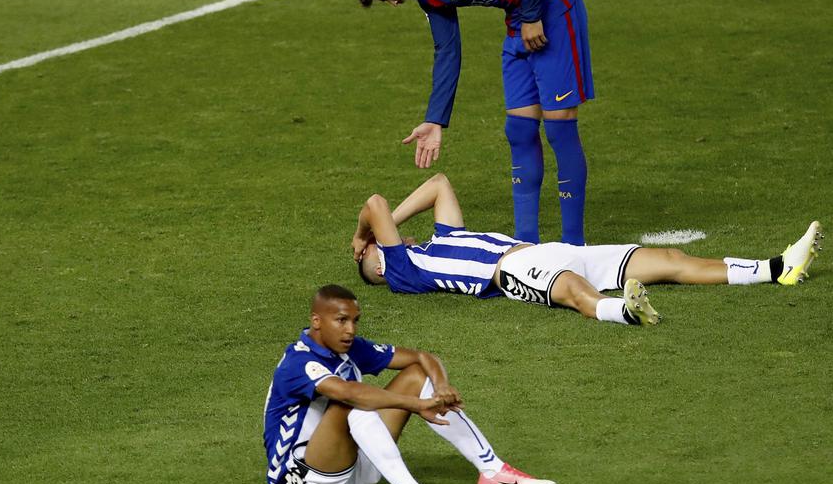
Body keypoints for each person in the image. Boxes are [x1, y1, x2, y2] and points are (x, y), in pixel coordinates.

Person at [354, 0, 593, 245]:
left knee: (559, 128)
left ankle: (574, 245)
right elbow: (447, 51)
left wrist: (534, 17)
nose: (394, 4)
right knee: (519, 130)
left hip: (554, 12)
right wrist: (435, 119)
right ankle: (525, 244)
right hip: (520, 21)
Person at [351, 173, 823, 325]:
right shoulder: (404, 271)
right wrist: (364, 239)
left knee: (669, 262)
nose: (382, 246)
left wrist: (374, 234)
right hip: (513, 272)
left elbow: (438, 183)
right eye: (376, 258)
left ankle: (777, 266)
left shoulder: (443, 240)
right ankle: (624, 311)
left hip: (546, 249)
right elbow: (374, 204)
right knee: (573, 290)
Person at [263, 284, 556, 484]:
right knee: (349, 402)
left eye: (355, 320)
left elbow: (421, 358)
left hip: (356, 471)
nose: (350, 329)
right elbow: (350, 393)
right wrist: (416, 405)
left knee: (415, 375)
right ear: (317, 321)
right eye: (341, 320)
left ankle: (493, 472)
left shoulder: (349, 347)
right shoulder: (297, 362)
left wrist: (440, 386)